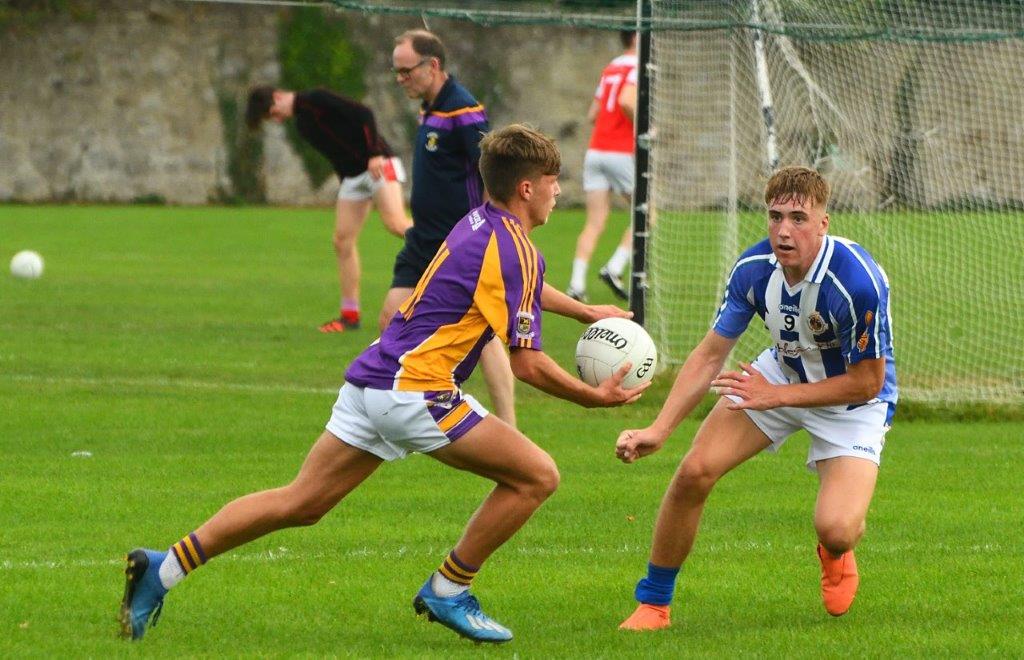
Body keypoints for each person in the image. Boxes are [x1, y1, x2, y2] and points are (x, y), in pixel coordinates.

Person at [118, 124, 650, 645]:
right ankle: (449, 588)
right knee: (537, 476)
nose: (560, 191)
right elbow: (527, 364)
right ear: (527, 187)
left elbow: (521, 286)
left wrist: (584, 312)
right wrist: (595, 397)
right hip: (417, 391)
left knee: (300, 503)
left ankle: (163, 570)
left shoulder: (479, 225)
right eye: (554, 180)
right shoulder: (515, 249)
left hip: (373, 380)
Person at [615, 166, 897, 630]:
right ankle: (654, 605)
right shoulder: (753, 268)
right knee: (694, 472)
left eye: (799, 218)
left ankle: (835, 552)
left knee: (838, 528)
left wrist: (778, 395)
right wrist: (658, 429)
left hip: (851, 402)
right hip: (780, 375)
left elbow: (866, 383)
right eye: (775, 216)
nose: (784, 230)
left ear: (824, 223)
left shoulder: (857, 282)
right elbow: (710, 355)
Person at [384, 29, 522, 427]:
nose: (400, 79)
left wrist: (491, 231)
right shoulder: (429, 107)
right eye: (397, 71)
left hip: (456, 243)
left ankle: (509, 426)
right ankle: (402, 407)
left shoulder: (464, 111)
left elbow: (494, 169)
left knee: (485, 338)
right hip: (422, 239)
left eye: (407, 70)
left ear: (433, 66)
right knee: (391, 318)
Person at [246, 86, 412, 333]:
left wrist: (375, 153)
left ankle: (451, 244)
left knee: (396, 224)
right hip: (354, 179)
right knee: (342, 241)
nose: (276, 119)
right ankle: (349, 316)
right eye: (271, 118)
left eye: (273, 112)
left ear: (278, 96)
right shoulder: (302, 123)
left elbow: (364, 113)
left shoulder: (315, 99)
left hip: (379, 165)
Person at [567, 30, 638, 303]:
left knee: (595, 222)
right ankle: (615, 267)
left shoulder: (610, 68)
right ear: (635, 39)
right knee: (648, 215)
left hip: (596, 151)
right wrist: (643, 127)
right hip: (621, 151)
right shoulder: (636, 66)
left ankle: (576, 284)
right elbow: (626, 102)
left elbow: (592, 114)